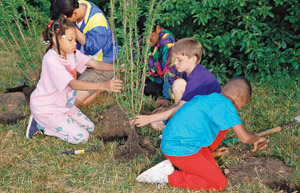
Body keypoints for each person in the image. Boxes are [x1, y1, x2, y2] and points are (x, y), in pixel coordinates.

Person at [136, 76, 269, 191]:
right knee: (219, 183)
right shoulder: (226, 105)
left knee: (224, 125)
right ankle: (168, 176)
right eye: (241, 106)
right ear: (237, 98)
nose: (239, 109)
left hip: (172, 143)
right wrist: (256, 139)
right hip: (180, 149)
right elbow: (245, 138)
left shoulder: (210, 98)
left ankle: (204, 155)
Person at [26, 15, 122, 144]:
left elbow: (94, 64)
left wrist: (117, 68)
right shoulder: (51, 60)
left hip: (65, 106)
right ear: (56, 39)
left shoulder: (72, 53)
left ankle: (59, 121)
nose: (75, 44)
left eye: (75, 39)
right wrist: (104, 85)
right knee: (82, 137)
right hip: (47, 109)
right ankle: (41, 126)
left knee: (90, 128)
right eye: (70, 40)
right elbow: (73, 84)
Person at [135, 38, 221, 130]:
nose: (175, 63)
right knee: (156, 123)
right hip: (197, 111)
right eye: (174, 59)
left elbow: (181, 107)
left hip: (209, 120)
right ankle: (178, 126)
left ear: (193, 59)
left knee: (178, 85)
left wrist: (148, 118)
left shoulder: (197, 79)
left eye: (179, 60)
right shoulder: (188, 71)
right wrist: (167, 110)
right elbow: (184, 102)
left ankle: (183, 128)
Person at [50, 0, 117, 107]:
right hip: (84, 61)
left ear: (75, 13)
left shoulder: (97, 21)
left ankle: (103, 85)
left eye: (64, 20)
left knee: (72, 101)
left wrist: (73, 29)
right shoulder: (74, 4)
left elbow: (92, 48)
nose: (63, 23)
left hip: (100, 66)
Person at [137, 16, 181, 107]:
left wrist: (167, 98)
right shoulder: (142, 39)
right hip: (157, 77)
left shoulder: (168, 42)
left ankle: (168, 94)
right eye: (144, 38)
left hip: (173, 78)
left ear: (157, 29)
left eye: (150, 37)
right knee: (145, 90)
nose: (147, 41)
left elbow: (170, 70)